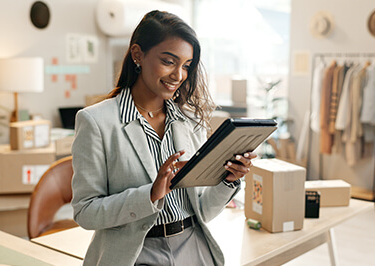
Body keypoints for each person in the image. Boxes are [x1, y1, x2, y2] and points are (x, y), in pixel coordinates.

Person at [71, 10, 256, 266]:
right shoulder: (96, 121)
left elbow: (202, 210)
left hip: (194, 248)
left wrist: (228, 181)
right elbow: (85, 212)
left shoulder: (190, 121)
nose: (178, 75)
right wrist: (150, 194)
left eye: (186, 66)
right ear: (138, 55)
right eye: (169, 61)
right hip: (134, 255)